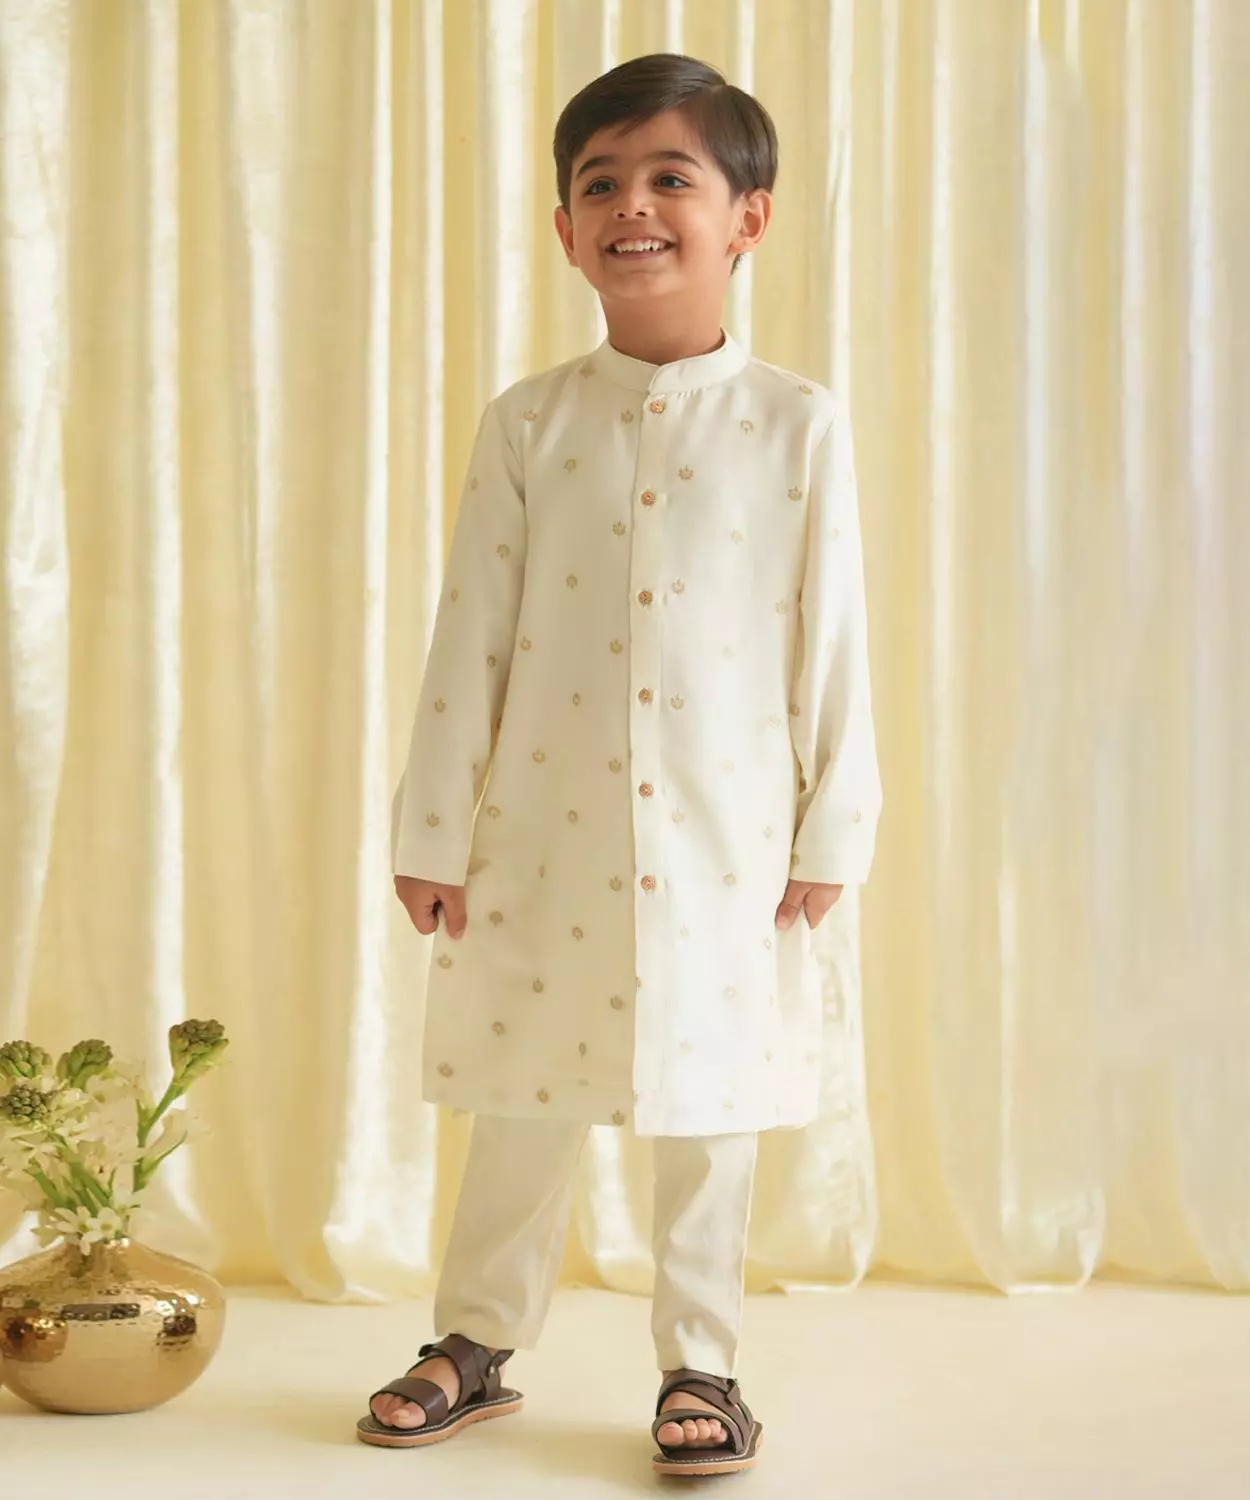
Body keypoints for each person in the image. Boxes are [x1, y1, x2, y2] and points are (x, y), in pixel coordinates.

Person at [358, 51, 882, 1478]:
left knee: (709, 1110)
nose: (632, 207)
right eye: (600, 184)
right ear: (564, 227)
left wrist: (833, 827)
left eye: (669, 178)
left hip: (728, 834)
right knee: (521, 1094)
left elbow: (830, 635)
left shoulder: (796, 421)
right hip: (543, 827)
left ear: (747, 217)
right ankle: (475, 1341)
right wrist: (432, 826)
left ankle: (701, 1363)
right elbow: (471, 632)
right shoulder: (530, 422)